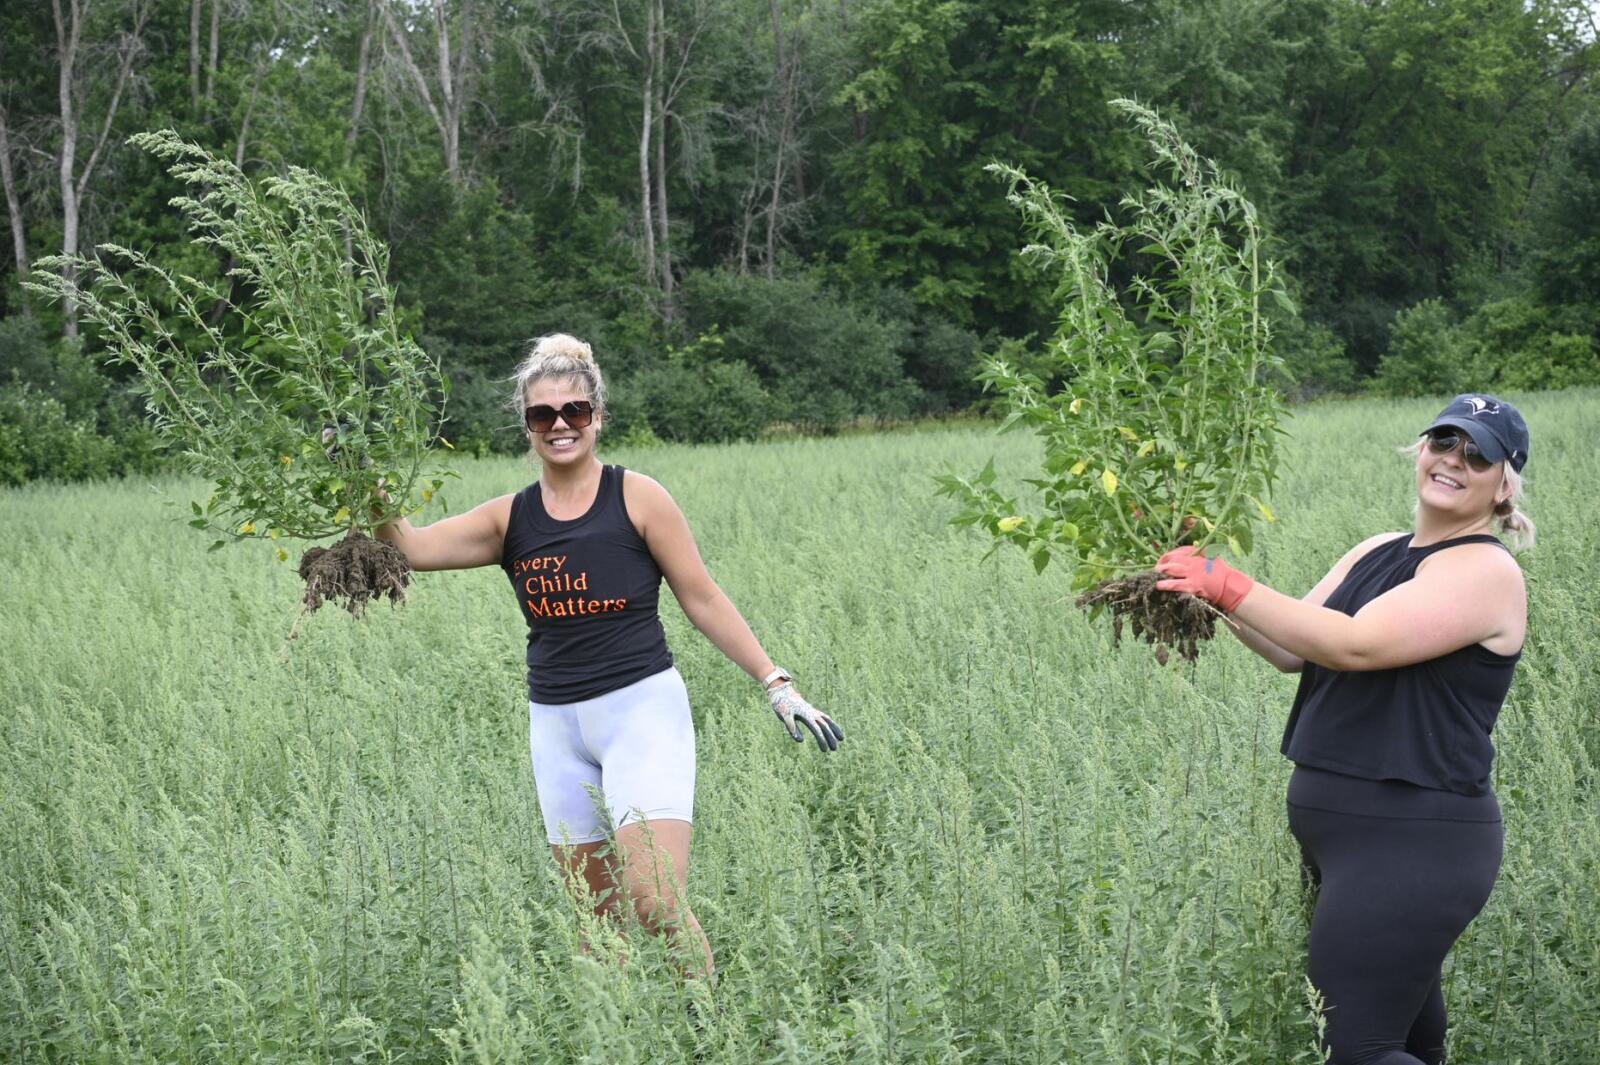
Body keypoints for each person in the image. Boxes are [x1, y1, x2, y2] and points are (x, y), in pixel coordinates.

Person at [375, 333, 843, 979]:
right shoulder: (508, 519)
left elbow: (701, 596)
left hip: (641, 712)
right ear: (526, 424)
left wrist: (776, 682)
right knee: (596, 922)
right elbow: (408, 547)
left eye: (575, 411)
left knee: (655, 900)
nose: (560, 425)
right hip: (556, 726)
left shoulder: (639, 497)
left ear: (598, 415)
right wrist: (359, 477)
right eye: (544, 415)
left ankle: (711, 1032)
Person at [1154, 393, 1534, 1065]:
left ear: (1504, 485)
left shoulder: (1485, 570)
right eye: (1444, 440)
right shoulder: (1377, 549)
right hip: (1349, 844)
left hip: (1414, 842)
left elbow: (1354, 643)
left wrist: (1229, 584)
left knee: (1358, 1049)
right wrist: (1203, 586)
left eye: (1479, 454)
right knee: (1412, 1042)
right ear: (1420, 448)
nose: (1454, 460)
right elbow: (1291, 646)